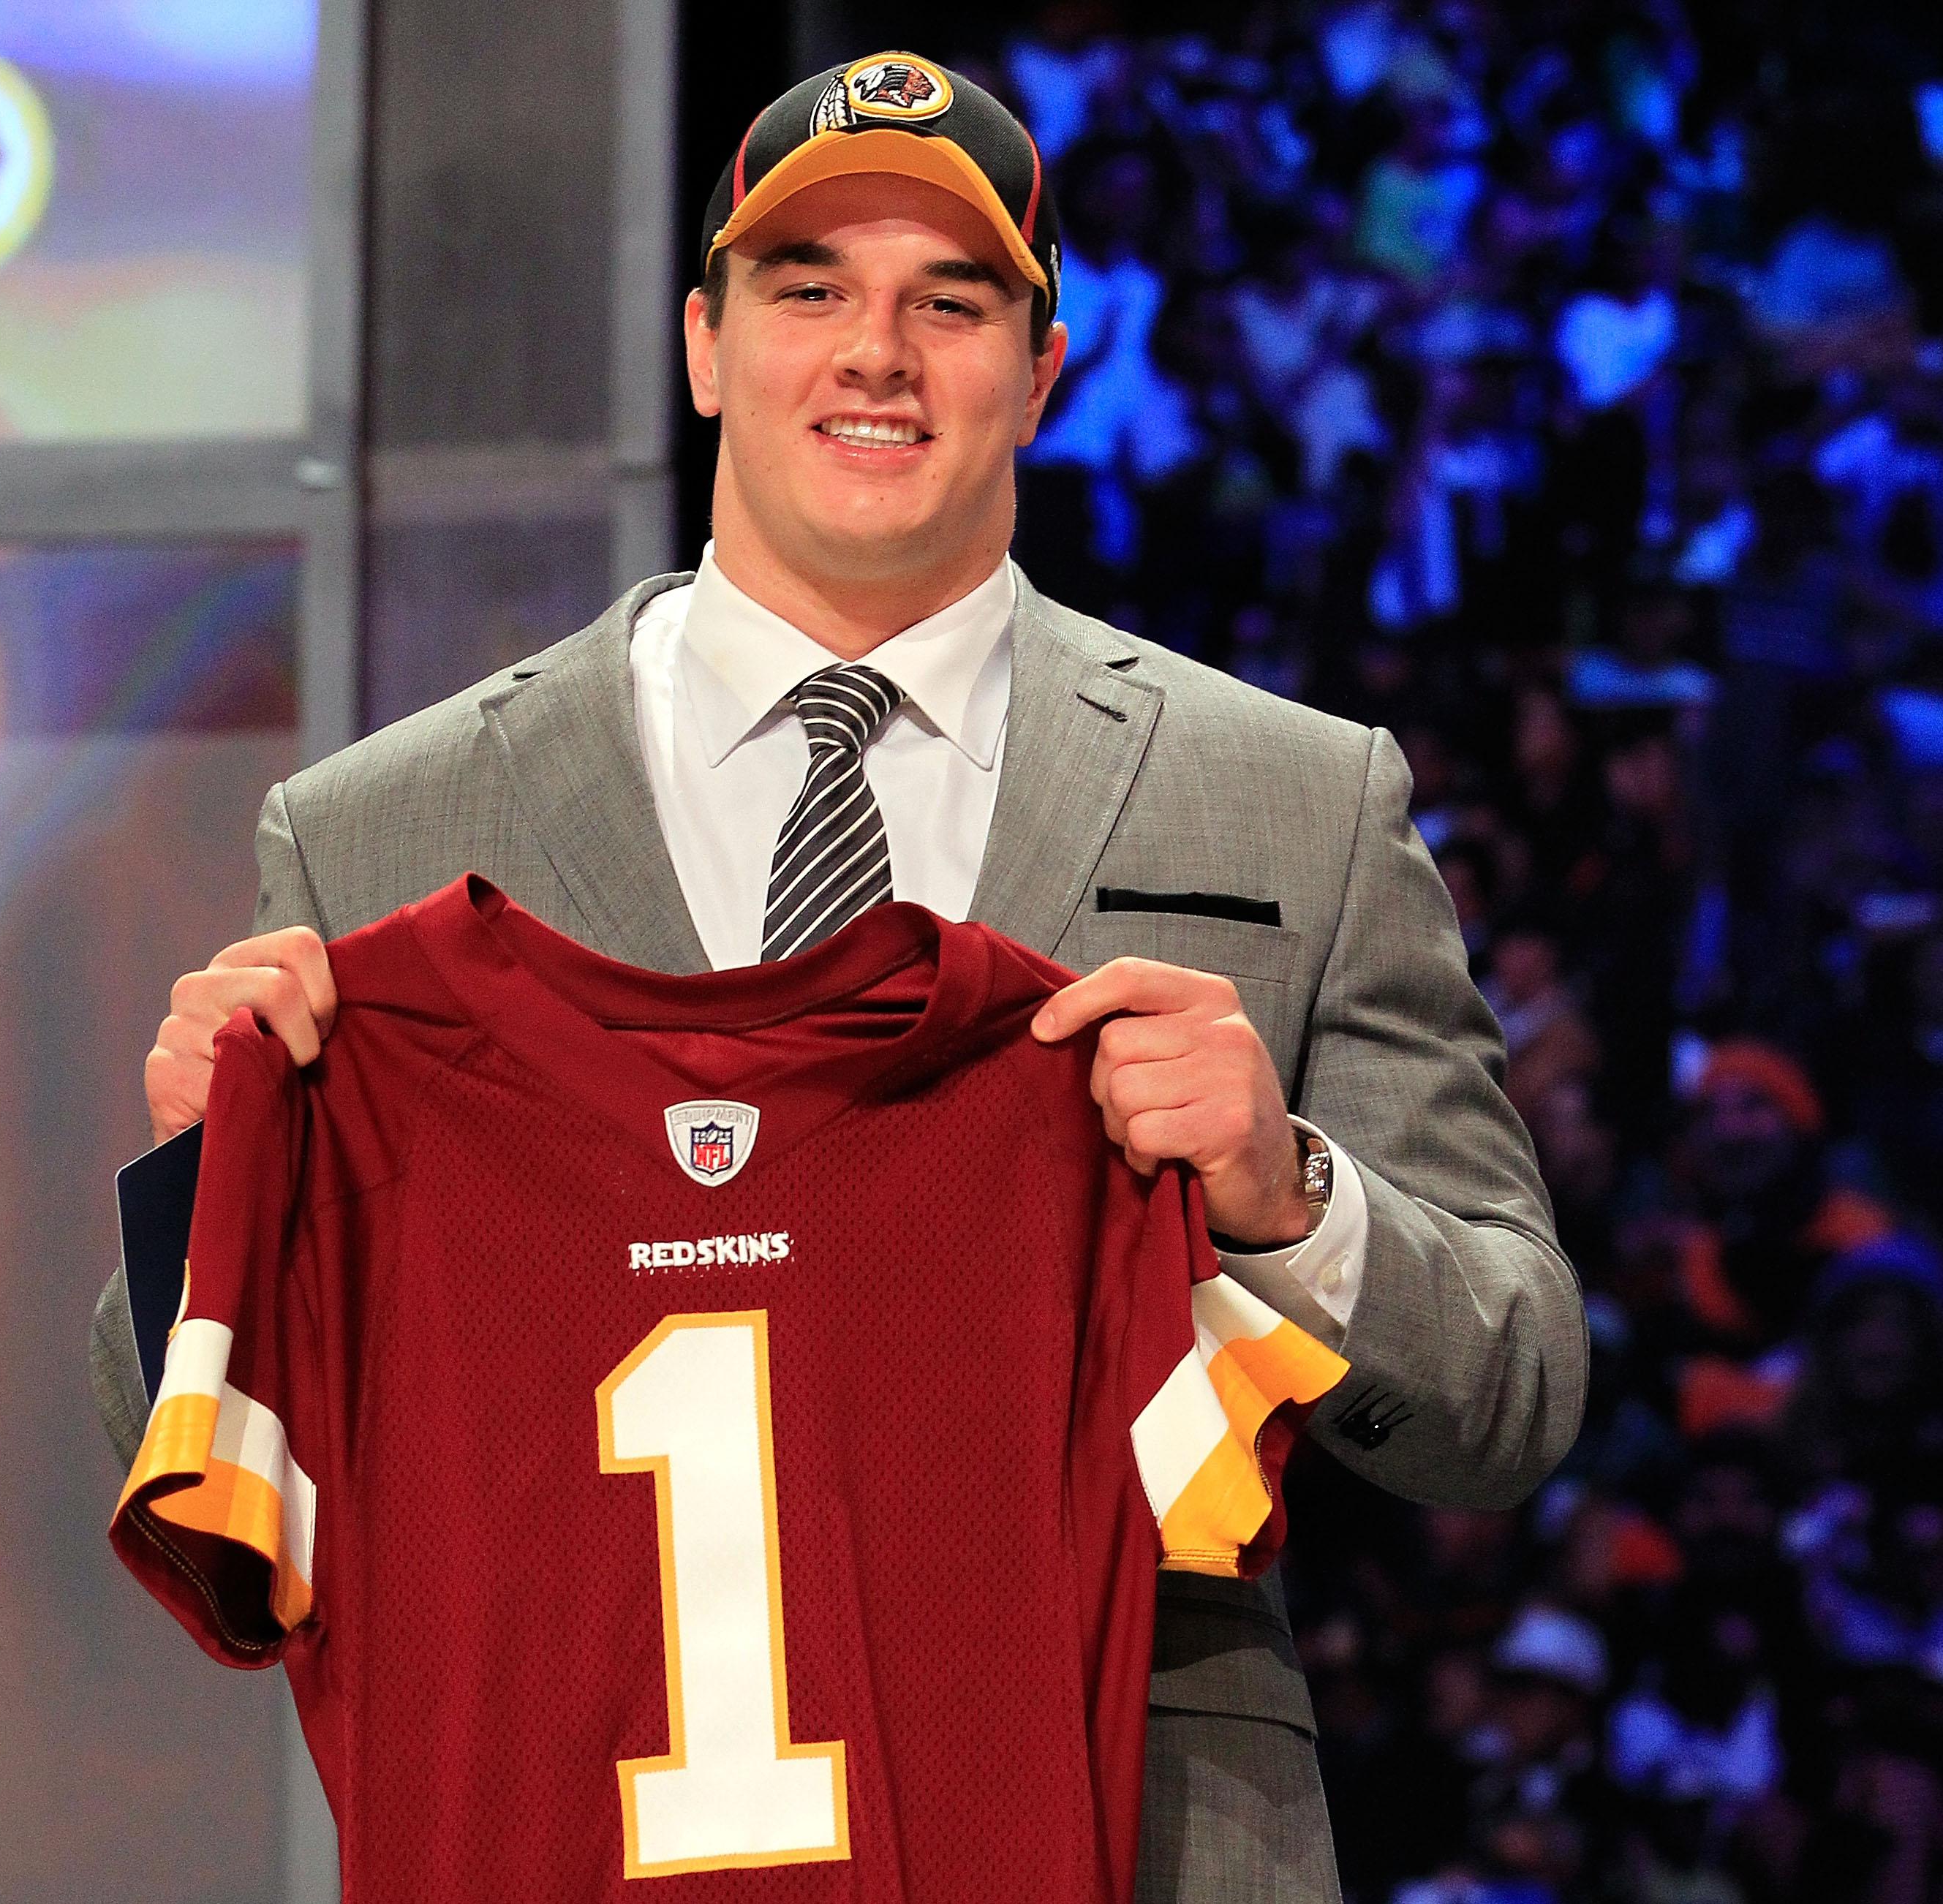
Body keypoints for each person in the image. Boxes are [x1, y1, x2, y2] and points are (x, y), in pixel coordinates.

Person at [88, 54, 1586, 1904]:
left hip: (1134, 1835)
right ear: (707, 345)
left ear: (1040, 372)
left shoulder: (1297, 796)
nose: (876, 354)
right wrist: (198, 1184)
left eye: (950, 304)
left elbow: (1514, 1395)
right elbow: (197, 1461)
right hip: (581, 1822)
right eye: (809, 290)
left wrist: (1290, 1203)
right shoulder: (384, 827)